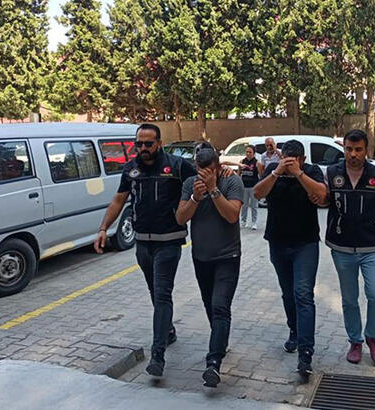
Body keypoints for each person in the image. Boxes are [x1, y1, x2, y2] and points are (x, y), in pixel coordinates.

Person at [94, 123, 196, 379]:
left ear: (159, 143)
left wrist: (222, 173)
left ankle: (157, 355)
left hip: (169, 241)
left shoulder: (177, 166)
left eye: (148, 144)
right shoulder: (131, 169)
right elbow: (119, 199)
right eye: (138, 144)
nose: (143, 148)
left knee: (162, 294)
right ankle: (167, 330)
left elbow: (202, 179)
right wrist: (104, 228)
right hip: (142, 244)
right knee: (154, 292)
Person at [253, 139, 328, 379]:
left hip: (305, 243)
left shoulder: (311, 171)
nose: (288, 164)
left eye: (294, 161)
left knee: (303, 294)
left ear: (302, 159)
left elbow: (322, 194)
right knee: (288, 293)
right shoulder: (272, 170)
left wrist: (298, 174)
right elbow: (257, 193)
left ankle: (306, 353)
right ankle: (294, 331)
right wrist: (277, 172)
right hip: (278, 242)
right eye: (285, 160)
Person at [324, 129, 375, 367]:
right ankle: (355, 341)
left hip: (371, 246)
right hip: (341, 246)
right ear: (344, 149)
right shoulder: (332, 173)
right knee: (349, 299)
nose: (353, 154)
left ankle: (372, 337)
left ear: (367, 150)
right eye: (349, 149)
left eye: (358, 150)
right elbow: (323, 199)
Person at [175, 144, 244, 388]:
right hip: (201, 257)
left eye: (209, 171)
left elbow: (232, 215)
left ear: (217, 166)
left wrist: (214, 190)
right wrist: (196, 197)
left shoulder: (231, 181)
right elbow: (181, 218)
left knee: (220, 306)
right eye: (200, 170)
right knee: (210, 306)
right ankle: (220, 340)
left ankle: (213, 362)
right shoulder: (190, 184)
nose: (204, 175)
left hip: (228, 256)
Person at [225, 145, 260, 229]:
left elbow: (260, 174)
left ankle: (254, 222)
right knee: (244, 205)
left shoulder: (257, 162)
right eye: (247, 152)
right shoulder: (242, 161)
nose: (248, 154)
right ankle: (243, 220)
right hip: (244, 186)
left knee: (254, 205)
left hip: (253, 186)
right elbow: (239, 173)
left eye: (250, 152)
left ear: (254, 153)